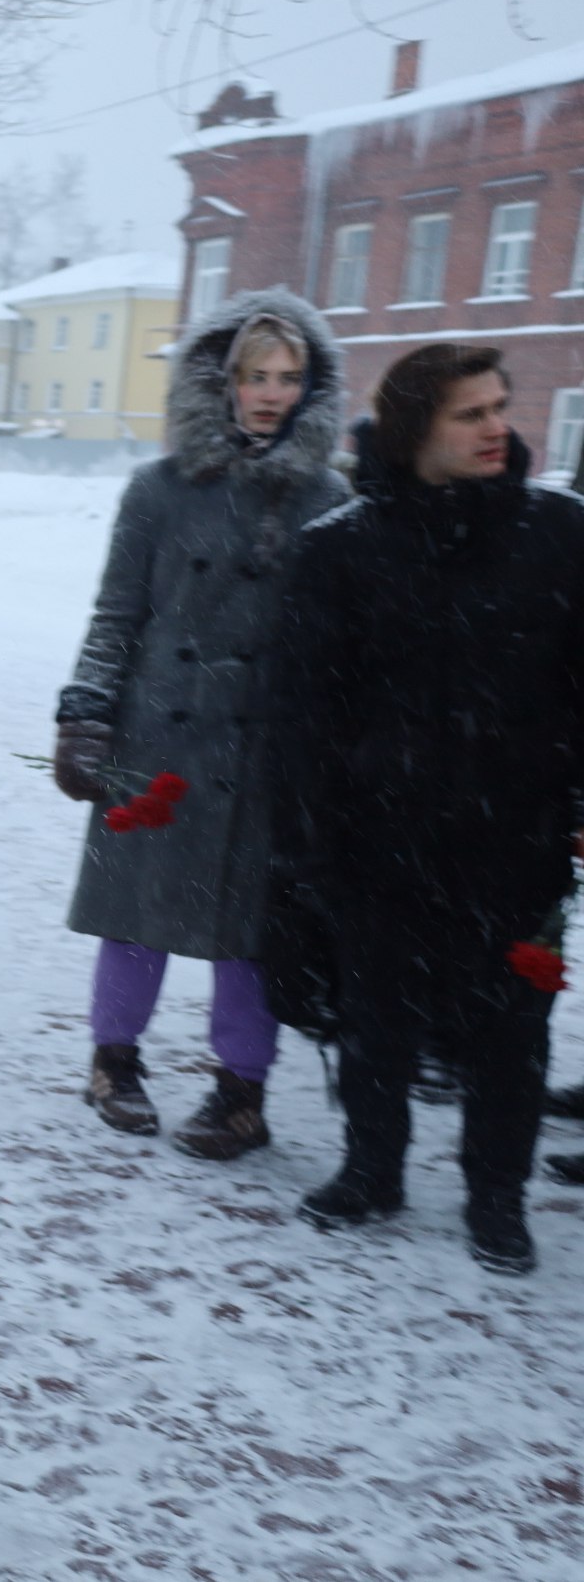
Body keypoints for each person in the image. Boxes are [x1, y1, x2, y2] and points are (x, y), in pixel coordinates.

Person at [276, 344, 584, 1274]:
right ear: (415, 429)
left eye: (499, 407)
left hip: (516, 835)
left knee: (511, 1034)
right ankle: (372, 1171)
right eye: (470, 413)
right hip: (381, 836)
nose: (497, 428)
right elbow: (304, 712)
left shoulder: (559, 533)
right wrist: (309, 841)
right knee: (376, 1021)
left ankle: (497, 1199)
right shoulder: (338, 549)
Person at [52, 289, 348, 1160]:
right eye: (255, 376)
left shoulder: (329, 498)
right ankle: (113, 1062)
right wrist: (86, 714)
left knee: (251, 930)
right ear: (222, 382)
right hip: (160, 736)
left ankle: (242, 1092)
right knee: (135, 912)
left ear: (310, 389)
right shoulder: (159, 490)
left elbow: (342, 641)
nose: (270, 394)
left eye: (288, 378)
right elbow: (116, 615)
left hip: (264, 747)